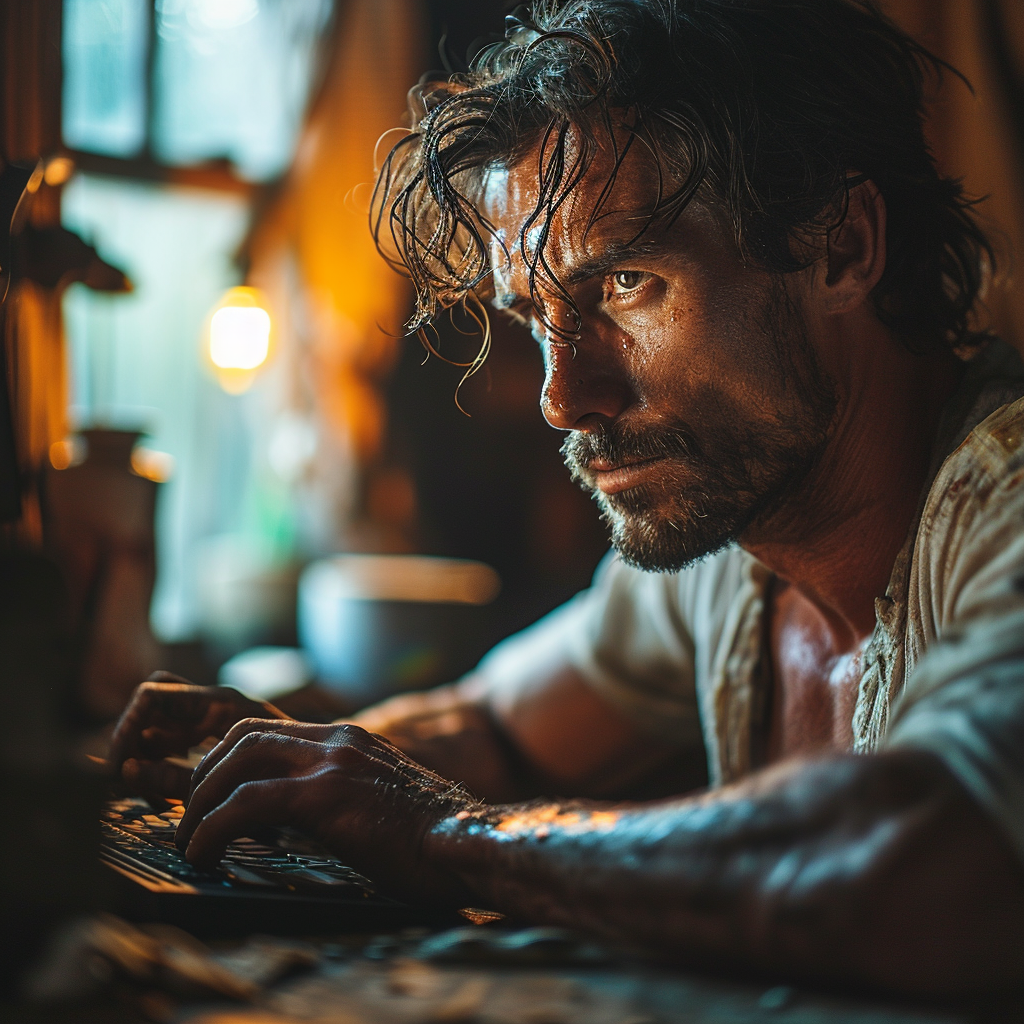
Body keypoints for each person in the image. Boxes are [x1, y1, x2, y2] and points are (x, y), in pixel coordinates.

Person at [109, 0, 1024, 993]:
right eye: (538, 317)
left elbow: (940, 869)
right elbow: (497, 725)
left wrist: (456, 839)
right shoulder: (730, 554)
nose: (561, 397)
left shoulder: (1002, 505)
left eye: (627, 283)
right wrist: (288, 767)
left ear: (840, 246)